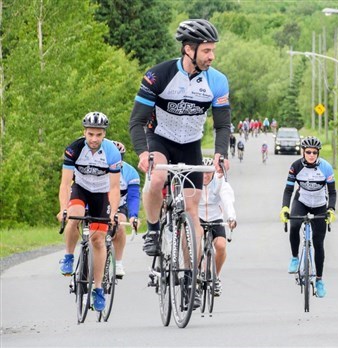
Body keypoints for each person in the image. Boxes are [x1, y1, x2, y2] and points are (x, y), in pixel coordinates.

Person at [128, 19, 231, 257]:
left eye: (213, 50)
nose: (212, 56)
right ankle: (153, 230)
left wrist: (220, 154)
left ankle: (189, 279)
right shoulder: (158, 75)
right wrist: (143, 154)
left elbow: (223, 125)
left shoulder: (217, 81)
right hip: (160, 139)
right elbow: (137, 122)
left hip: (191, 145)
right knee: (157, 178)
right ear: (188, 49)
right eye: (206, 50)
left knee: (192, 211)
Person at [57, 112, 121, 312]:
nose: (94, 139)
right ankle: (68, 256)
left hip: (102, 194)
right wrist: (63, 209)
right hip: (81, 189)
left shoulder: (112, 152)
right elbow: (66, 183)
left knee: (98, 240)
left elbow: (114, 187)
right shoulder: (74, 149)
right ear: (84, 132)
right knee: (74, 215)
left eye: (98, 135)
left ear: (104, 135)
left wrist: (113, 213)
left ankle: (98, 288)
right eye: (90, 134)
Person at [279, 137, 336, 298]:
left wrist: (331, 209)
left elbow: (332, 192)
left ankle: (319, 280)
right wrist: (284, 207)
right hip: (302, 200)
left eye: (314, 152)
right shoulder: (296, 166)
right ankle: (295, 258)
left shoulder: (326, 167)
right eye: (308, 152)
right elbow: (288, 190)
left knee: (318, 243)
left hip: (319, 203)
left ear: (318, 153)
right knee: (295, 225)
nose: (311, 155)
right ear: (303, 152)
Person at [198, 157, 237, 300]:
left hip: (216, 218)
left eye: (209, 172)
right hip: (199, 218)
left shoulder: (220, 183)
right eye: (203, 172)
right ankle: (196, 273)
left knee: (221, 246)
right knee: (197, 237)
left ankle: (216, 276)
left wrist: (231, 217)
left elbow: (228, 201)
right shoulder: (194, 183)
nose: (205, 176)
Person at [110, 141, 141, 278]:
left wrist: (133, 216)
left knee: (120, 224)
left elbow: (133, 197)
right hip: (100, 202)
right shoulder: (99, 169)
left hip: (119, 205)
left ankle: (118, 262)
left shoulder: (130, 172)